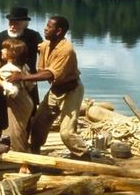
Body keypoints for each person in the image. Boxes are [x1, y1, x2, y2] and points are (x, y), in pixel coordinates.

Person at [7, 16, 95, 160]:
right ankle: (35, 157)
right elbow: (35, 54)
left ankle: (84, 157)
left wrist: (23, 78)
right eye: (46, 25)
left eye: (49, 26)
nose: (45, 28)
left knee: (66, 132)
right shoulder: (46, 45)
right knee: (38, 126)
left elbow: (49, 74)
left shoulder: (66, 50)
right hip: (56, 90)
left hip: (71, 91)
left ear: (59, 31)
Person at [0, 6, 43, 165]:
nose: (12, 25)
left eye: (17, 23)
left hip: (27, 84)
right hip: (2, 85)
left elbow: (45, 54)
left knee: (26, 120)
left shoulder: (33, 37)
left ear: (24, 23)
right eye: (11, 22)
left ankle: (24, 151)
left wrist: (43, 71)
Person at [0, 39, 35, 173]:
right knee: (22, 132)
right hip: (27, 100)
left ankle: (23, 167)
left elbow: (12, 92)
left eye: (5, 49)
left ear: (12, 54)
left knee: (16, 133)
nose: (1, 51)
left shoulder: (7, 69)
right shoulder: (23, 66)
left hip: (18, 102)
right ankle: (28, 163)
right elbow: (31, 84)